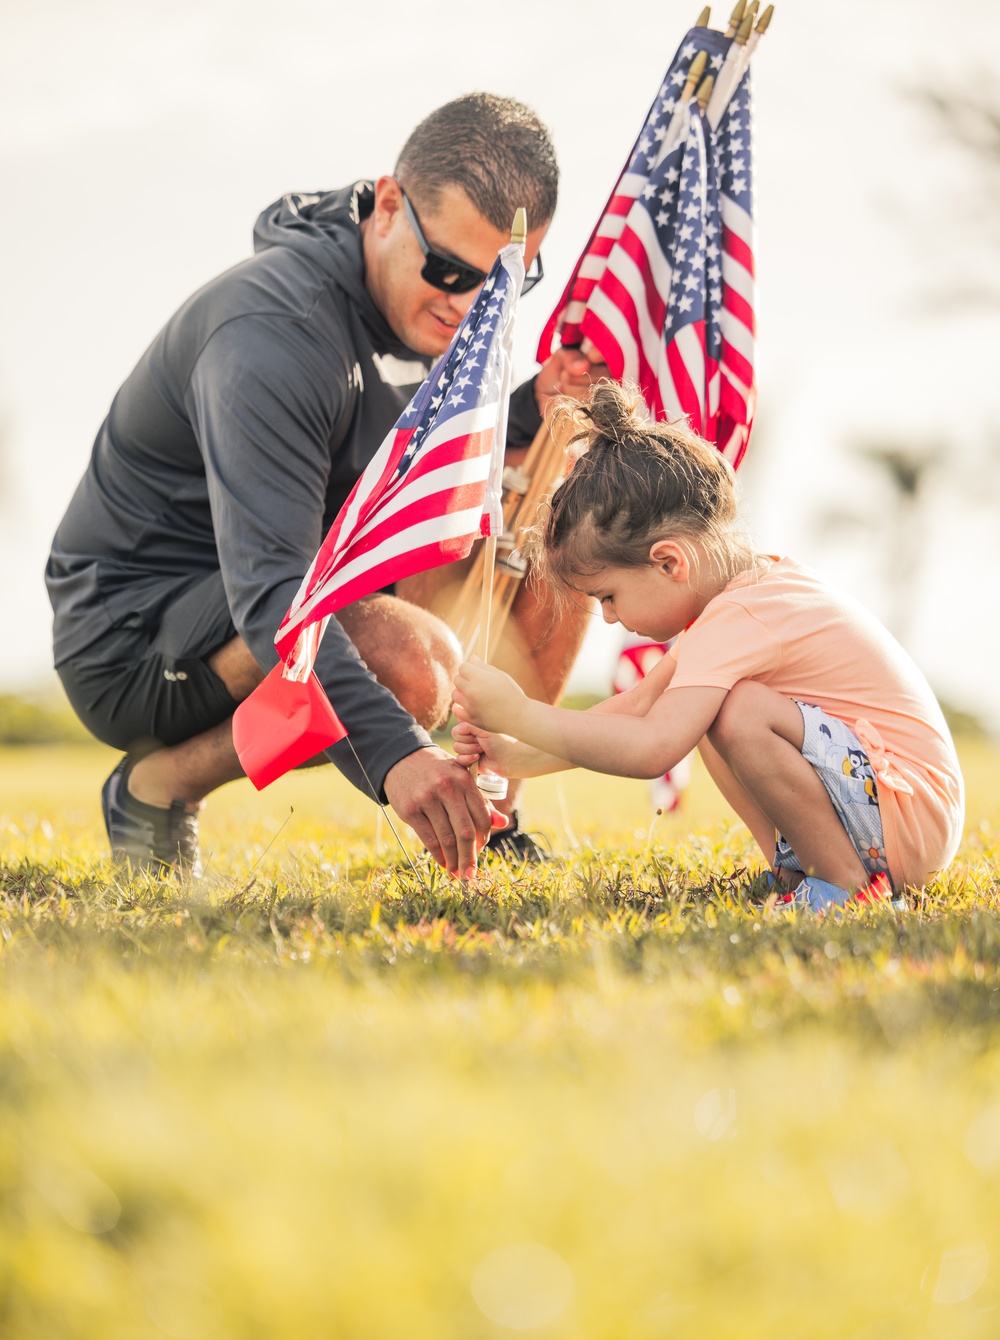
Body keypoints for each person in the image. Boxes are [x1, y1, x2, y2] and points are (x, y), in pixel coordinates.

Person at [47, 93, 604, 879]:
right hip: (133, 638)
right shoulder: (272, 337)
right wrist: (397, 755)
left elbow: (410, 458)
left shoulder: (430, 316)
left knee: (564, 528)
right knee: (411, 662)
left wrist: (530, 410)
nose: (467, 304)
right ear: (386, 206)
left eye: (502, 283)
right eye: (448, 269)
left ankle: (493, 805)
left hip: (278, 588)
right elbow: (275, 592)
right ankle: (157, 786)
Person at [452, 383, 965, 909]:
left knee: (735, 710)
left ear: (670, 562)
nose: (608, 618)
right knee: (707, 705)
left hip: (908, 815)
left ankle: (843, 886)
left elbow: (653, 746)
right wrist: (513, 753)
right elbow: (635, 708)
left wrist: (519, 711)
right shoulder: (745, 599)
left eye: (609, 595)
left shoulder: (740, 615)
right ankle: (800, 879)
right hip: (904, 811)